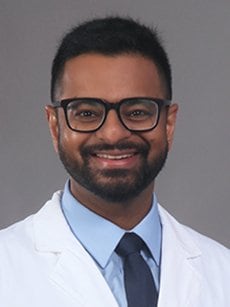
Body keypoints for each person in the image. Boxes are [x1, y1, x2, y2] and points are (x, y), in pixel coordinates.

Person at [0, 16, 229, 307]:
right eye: (86, 113)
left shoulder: (223, 274)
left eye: (136, 112)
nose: (113, 134)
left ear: (168, 123)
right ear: (55, 125)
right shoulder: (5, 269)